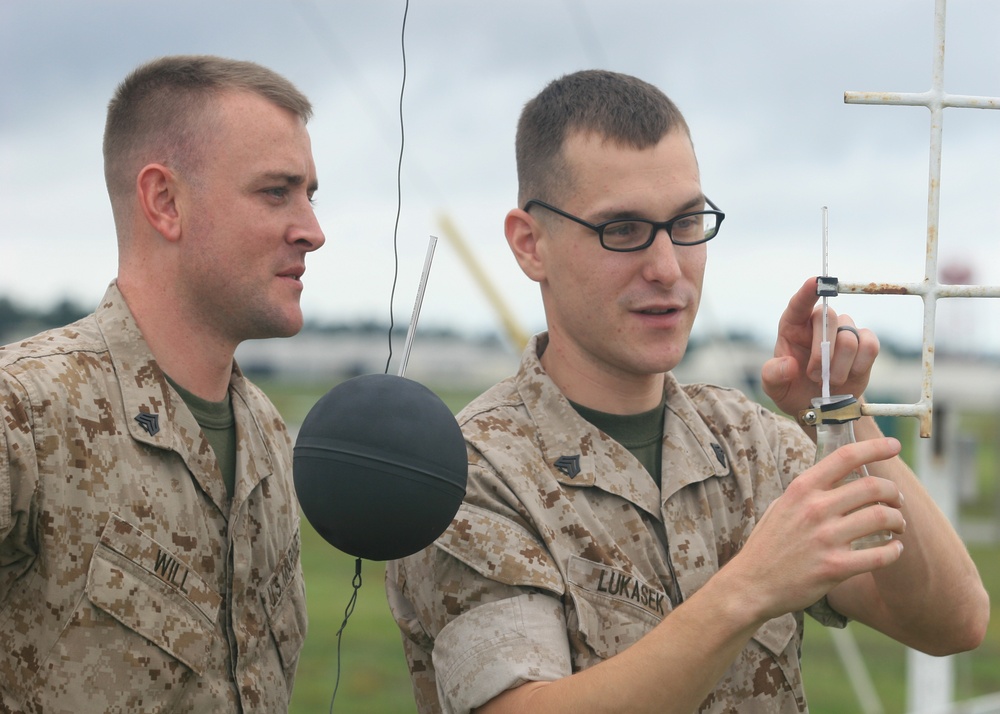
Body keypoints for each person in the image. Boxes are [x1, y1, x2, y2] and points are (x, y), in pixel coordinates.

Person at [385, 69, 989, 714]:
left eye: (687, 222)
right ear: (531, 245)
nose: (668, 267)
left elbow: (951, 621)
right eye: (621, 229)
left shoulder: (749, 443)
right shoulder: (469, 474)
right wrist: (751, 587)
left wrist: (844, 409)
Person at [0, 55, 325, 712]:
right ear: (164, 201)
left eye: (310, 195)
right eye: (275, 192)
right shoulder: (25, 417)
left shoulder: (268, 437)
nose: (313, 232)